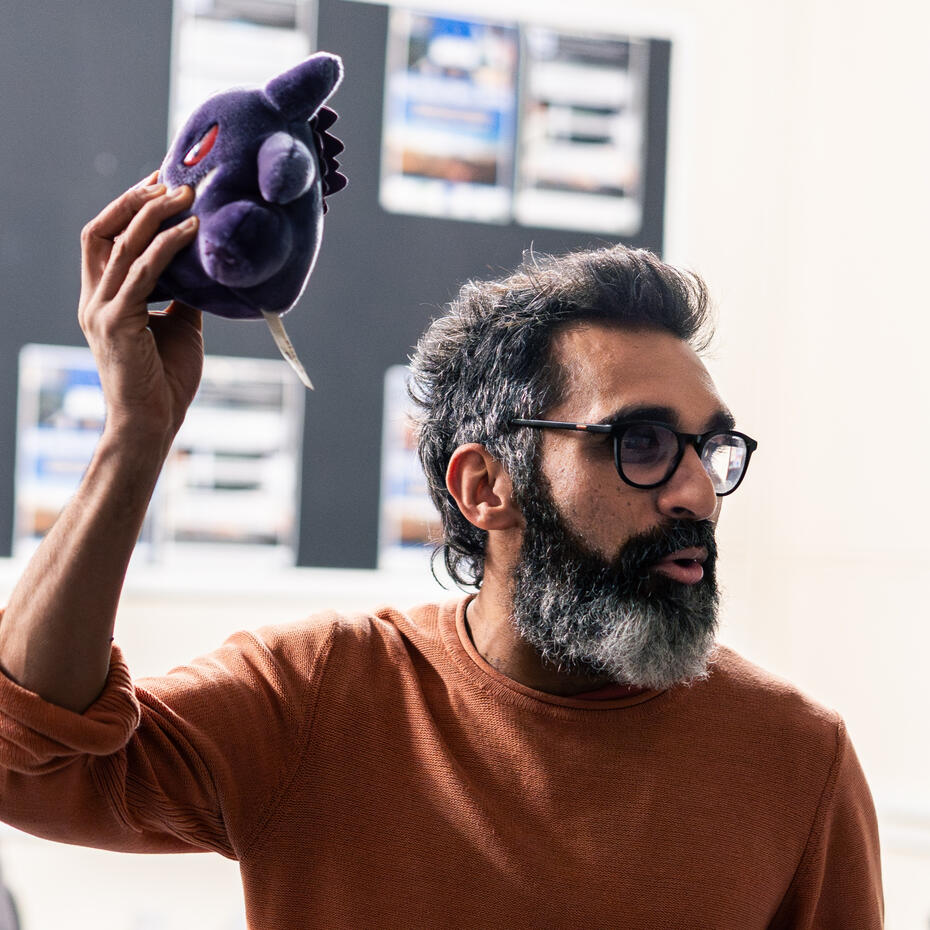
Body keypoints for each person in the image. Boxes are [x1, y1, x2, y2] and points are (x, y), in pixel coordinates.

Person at [0, 180, 883, 928]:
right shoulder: (320, 695)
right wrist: (136, 435)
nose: (696, 493)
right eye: (640, 442)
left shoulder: (797, 760)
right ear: (485, 486)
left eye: (710, 449)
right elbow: (27, 757)